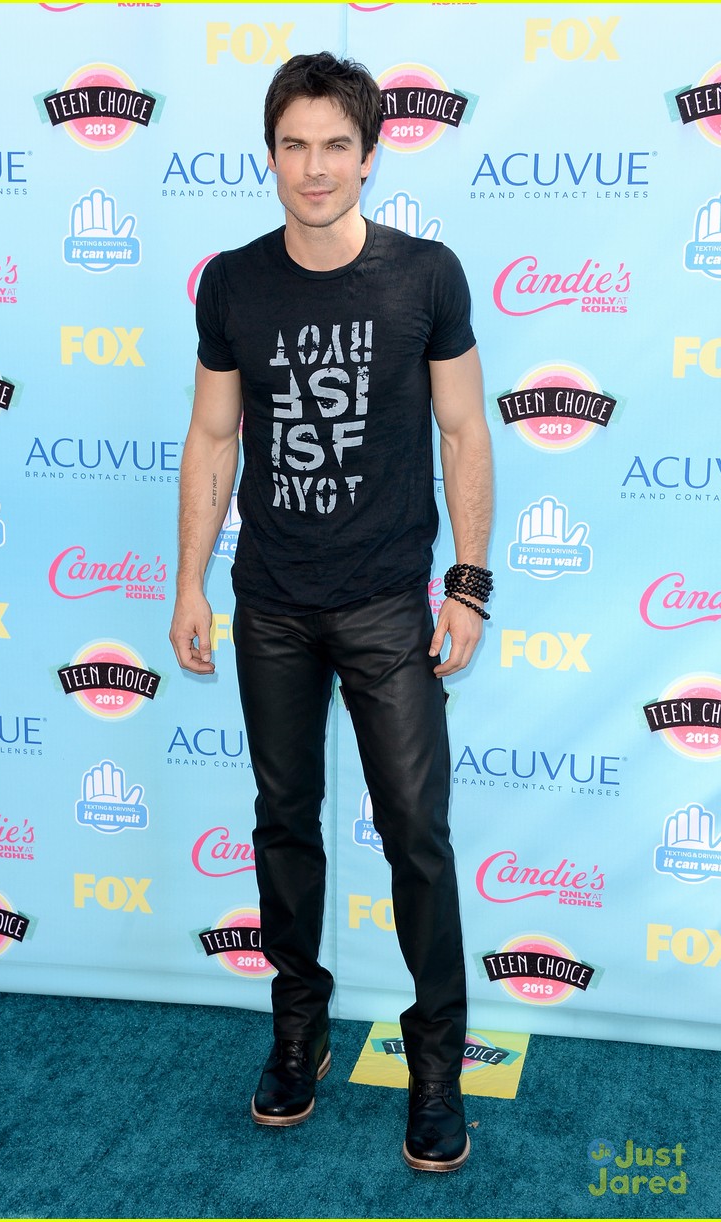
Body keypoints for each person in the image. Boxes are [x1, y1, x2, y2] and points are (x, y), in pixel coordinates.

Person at [169, 51, 493, 1173]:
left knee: (417, 836)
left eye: (335, 146)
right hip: (269, 607)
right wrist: (187, 581)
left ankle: (437, 1066)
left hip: (386, 606)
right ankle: (296, 1034)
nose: (314, 168)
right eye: (294, 146)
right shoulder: (233, 284)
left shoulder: (426, 276)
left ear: (370, 154)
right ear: (270, 155)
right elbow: (214, 435)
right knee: (283, 824)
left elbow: (465, 430)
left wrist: (468, 583)